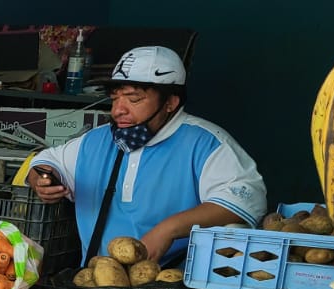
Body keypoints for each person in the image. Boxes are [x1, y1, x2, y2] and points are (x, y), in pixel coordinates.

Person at [26, 45, 267, 267]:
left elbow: (246, 200)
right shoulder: (95, 141)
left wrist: (169, 229)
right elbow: (46, 162)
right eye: (115, 98)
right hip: (98, 282)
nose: (118, 110)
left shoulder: (207, 143)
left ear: (170, 102)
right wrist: (43, 179)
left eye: (133, 99)